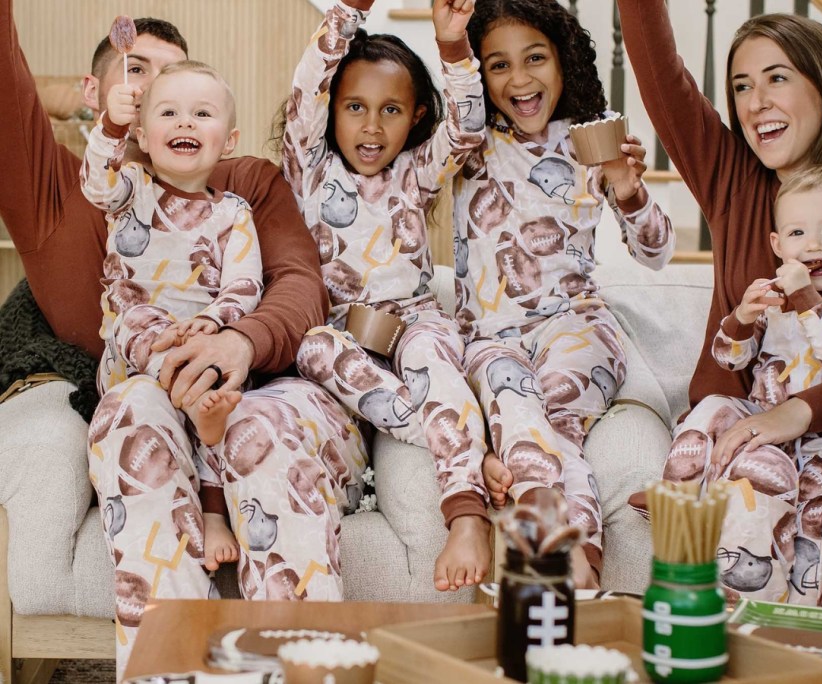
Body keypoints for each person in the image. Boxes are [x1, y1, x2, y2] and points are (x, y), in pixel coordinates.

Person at [0, 4, 367, 676]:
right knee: (128, 417)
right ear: (109, 101)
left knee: (260, 427)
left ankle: (302, 670)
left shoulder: (246, 187)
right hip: (148, 376)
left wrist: (238, 340)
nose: (162, 99)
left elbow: (296, 284)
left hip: (264, 377)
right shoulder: (75, 187)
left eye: (186, 90)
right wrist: (95, 114)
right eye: (140, 79)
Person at [618, 0, 822, 610]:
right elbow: (661, 74)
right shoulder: (731, 178)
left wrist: (800, 413)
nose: (755, 104)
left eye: (777, 78)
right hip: (752, 443)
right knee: (745, 531)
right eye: (742, 86)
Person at [462, 0, 675, 589]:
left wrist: (629, 188)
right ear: (479, 76)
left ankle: (564, 558)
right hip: (489, 338)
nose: (520, 79)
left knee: (552, 417)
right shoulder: (467, 141)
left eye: (535, 58)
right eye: (498, 65)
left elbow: (656, 251)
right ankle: (578, 564)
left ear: (564, 60)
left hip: (578, 326)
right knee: (517, 404)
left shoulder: (590, 137)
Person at [283, 0, 492, 592]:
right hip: (340, 331)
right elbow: (304, 91)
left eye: (390, 111)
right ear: (332, 111)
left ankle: (467, 510)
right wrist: (345, 15)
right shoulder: (310, 168)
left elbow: (468, 130)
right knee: (312, 346)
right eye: (355, 108)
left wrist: (454, 48)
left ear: (414, 116)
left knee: (435, 357)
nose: (371, 127)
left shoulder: (417, 171)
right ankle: (445, 432)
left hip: (411, 322)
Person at [662, 165, 822, 604]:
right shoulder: (773, 301)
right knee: (712, 406)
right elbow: (731, 358)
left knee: (807, 519)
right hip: (761, 420)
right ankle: (677, 491)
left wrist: (806, 299)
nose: (814, 244)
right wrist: (742, 318)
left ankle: (799, 604)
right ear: (778, 246)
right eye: (798, 233)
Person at [81, 60, 264, 573]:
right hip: (133, 351)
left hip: (200, 351)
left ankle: (211, 512)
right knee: (137, 318)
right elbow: (96, 183)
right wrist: (110, 128)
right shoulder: (131, 191)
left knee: (224, 393)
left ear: (228, 140)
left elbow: (245, 285)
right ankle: (191, 385)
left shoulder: (234, 213)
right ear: (143, 134)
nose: (185, 123)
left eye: (201, 113)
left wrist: (213, 324)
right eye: (169, 112)